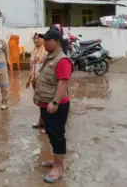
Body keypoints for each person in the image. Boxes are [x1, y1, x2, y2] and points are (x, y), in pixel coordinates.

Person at [34, 29, 73, 183]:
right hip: (46, 105)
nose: (45, 43)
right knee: (50, 133)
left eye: (48, 40)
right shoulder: (49, 57)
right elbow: (44, 79)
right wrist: (37, 97)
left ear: (57, 42)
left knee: (57, 136)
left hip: (56, 106)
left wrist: (55, 102)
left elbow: (63, 83)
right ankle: (56, 161)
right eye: (44, 40)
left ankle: (58, 168)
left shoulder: (62, 60)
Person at [26, 33, 47, 134]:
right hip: (35, 80)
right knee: (40, 102)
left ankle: (49, 126)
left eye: (38, 39)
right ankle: (42, 123)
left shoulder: (46, 50)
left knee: (46, 102)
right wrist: (29, 79)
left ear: (43, 40)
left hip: (43, 81)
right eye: (34, 39)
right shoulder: (33, 50)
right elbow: (32, 66)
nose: (36, 40)